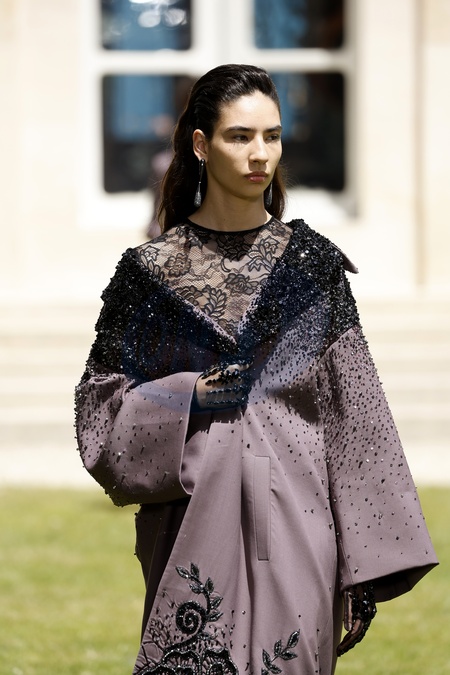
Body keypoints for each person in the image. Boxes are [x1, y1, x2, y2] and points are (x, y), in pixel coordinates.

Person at [75, 64, 438, 675]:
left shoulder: (312, 269)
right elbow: (100, 411)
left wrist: (363, 567)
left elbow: (357, 418)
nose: (260, 153)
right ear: (201, 144)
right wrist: (189, 395)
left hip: (301, 529)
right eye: (240, 136)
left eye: (272, 136)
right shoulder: (148, 276)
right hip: (190, 531)